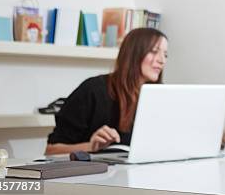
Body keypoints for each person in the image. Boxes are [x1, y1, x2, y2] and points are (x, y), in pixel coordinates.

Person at [45, 27, 168, 155]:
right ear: (134, 53)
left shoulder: (159, 98)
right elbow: (51, 151)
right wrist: (91, 146)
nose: (162, 60)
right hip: (92, 172)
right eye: (154, 51)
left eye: (165, 55)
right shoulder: (93, 90)